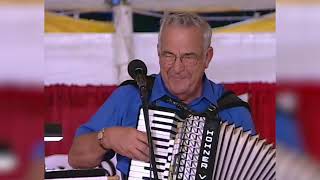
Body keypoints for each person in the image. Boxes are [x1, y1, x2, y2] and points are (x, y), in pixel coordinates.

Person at [68, 12, 255, 177]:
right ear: (158, 52)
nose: (177, 67)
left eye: (188, 57)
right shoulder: (129, 97)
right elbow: (76, 157)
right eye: (168, 55)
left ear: (207, 57)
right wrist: (107, 138)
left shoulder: (233, 112)